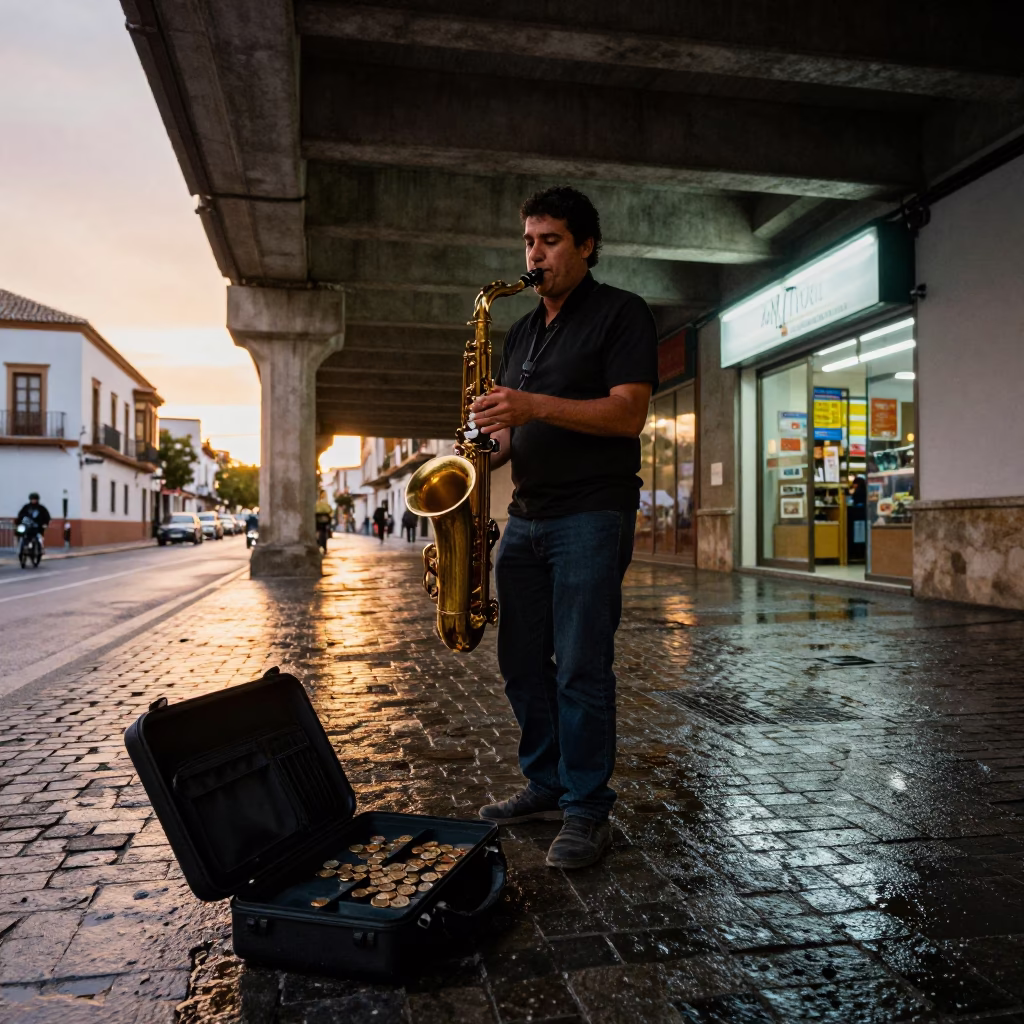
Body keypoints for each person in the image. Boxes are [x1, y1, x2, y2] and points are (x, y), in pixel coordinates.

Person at [470, 186, 658, 870]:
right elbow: (511, 436)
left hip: (592, 514)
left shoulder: (621, 315)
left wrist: (530, 405)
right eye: (528, 241)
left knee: (581, 667)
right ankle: (545, 782)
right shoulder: (519, 332)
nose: (535, 254)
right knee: (520, 661)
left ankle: (586, 809)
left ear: (585, 245)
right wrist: (484, 440)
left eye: (550, 241)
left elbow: (626, 414)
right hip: (525, 519)